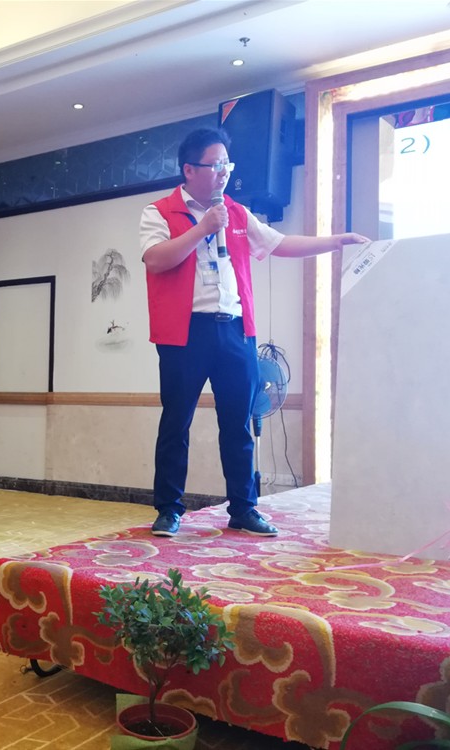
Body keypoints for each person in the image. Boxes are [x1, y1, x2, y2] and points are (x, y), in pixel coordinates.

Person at [141, 128, 368, 537]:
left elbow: (282, 243)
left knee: (238, 423)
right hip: (184, 333)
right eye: (216, 165)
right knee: (176, 422)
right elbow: (156, 260)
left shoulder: (237, 212)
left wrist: (338, 241)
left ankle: (243, 508)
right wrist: (202, 228)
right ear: (189, 169)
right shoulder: (159, 211)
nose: (225, 172)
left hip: (234, 331)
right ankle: (169, 510)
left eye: (227, 164)